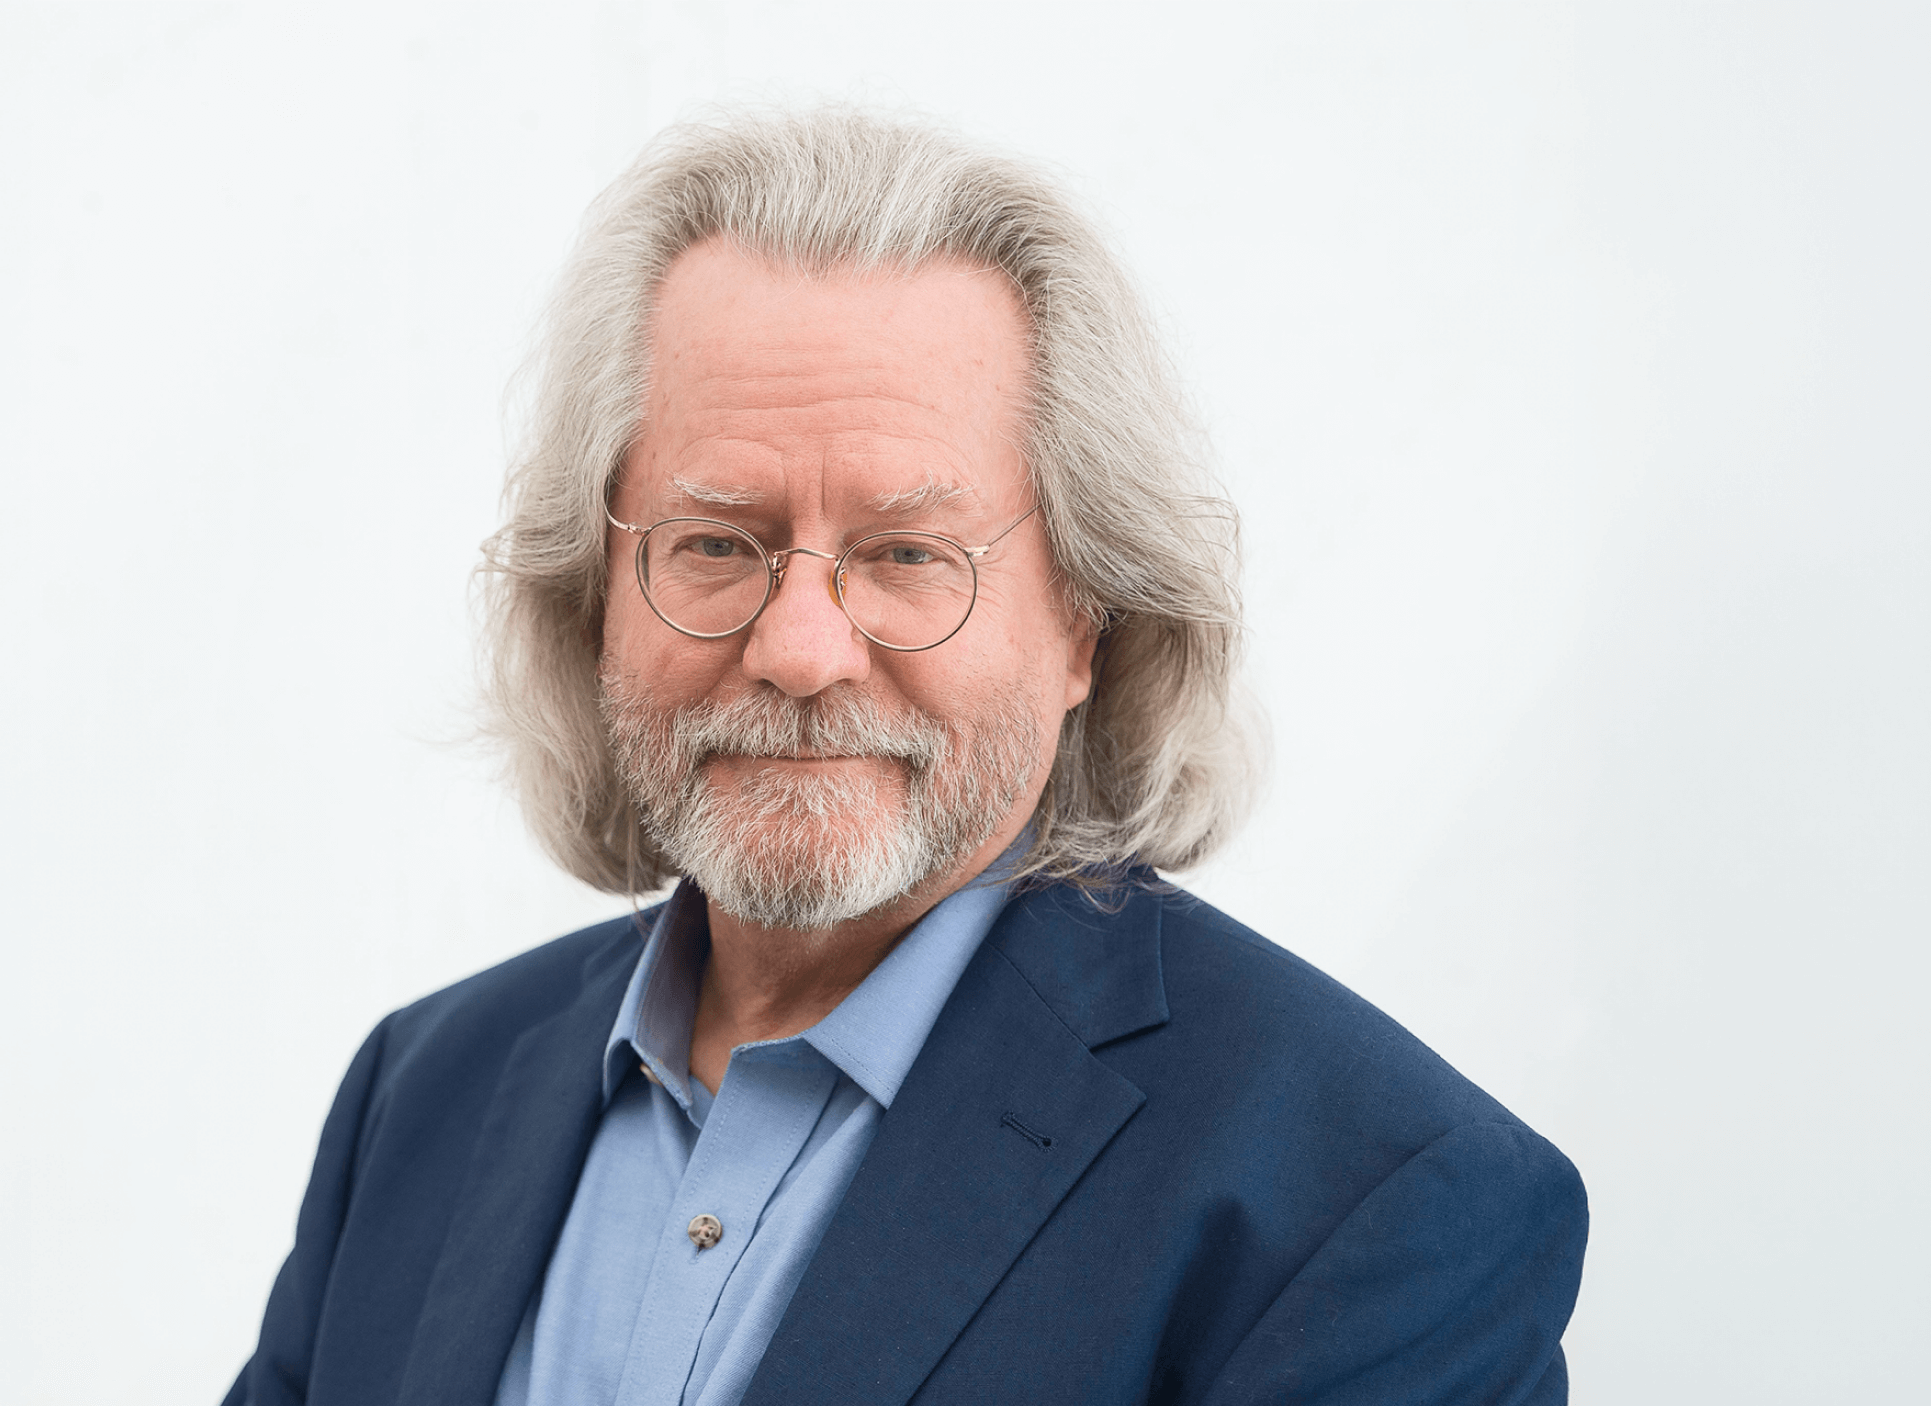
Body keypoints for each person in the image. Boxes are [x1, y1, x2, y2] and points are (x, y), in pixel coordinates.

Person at [223, 108, 1586, 1406]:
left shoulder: (1373, 1205)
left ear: (1088, 627)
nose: (801, 646)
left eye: (908, 554)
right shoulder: (422, 1093)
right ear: (594, 604)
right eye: (714, 542)